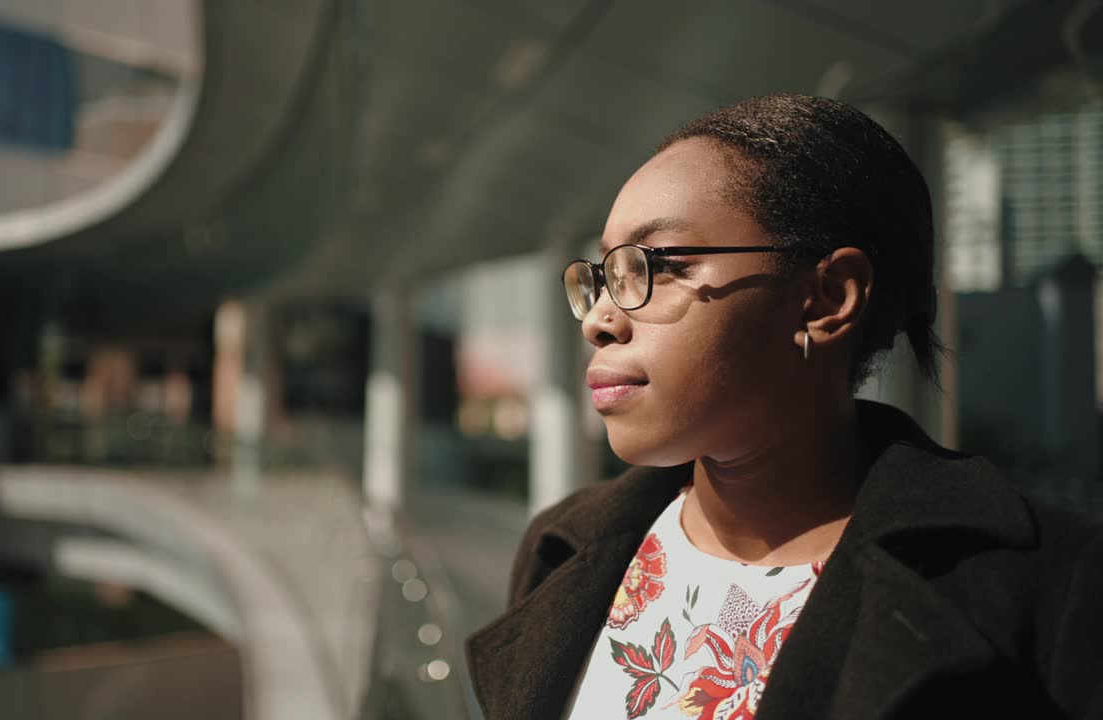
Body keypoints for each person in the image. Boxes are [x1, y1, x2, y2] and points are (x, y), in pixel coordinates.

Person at [464, 95, 1103, 720]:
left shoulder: (1049, 589)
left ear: (827, 299)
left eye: (659, 266)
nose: (601, 320)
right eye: (604, 276)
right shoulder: (565, 549)